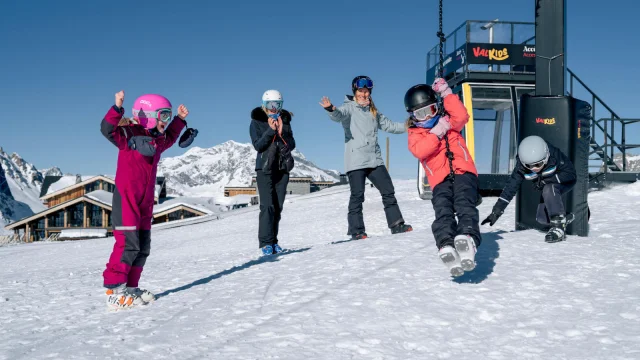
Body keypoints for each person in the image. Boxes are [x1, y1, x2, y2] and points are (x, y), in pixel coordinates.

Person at [101, 90, 191, 310]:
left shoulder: (157, 139)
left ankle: (131, 288)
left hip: (145, 202)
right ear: (149, 115)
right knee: (127, 244)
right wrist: (117, 108)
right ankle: (114, 291)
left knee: (142, 246)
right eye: (164, 116)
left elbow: (169, 138)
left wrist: (179, 121)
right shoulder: (128, 134)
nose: (165, 121)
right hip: (127, 199)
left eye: (168, 116)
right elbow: (107, 129)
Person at [320, 75, 412, 240]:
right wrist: (331, 109)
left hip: (374, 159)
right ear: (355, 91)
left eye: (366, 91)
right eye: (361, 91)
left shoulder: (373, 110)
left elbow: (389, 125)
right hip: (356, 160)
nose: (364, 94)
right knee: (358, 195)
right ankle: (356, 231)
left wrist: (408, 125)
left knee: (388, 190)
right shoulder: (349, 107)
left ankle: (397, 225)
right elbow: (339, 115)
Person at [405, 78, 481, 277]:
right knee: (443, 212)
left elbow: (462, 116)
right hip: (440, 180)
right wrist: (436, 133)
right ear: (412, 117)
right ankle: (446, 246)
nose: (426, 117)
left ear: (436, 107)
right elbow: (420, 150)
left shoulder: (448, 121)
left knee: (465, 205)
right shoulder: (416, 134)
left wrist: (446, 93)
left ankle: (468, 239)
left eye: (429, 110)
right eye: (419, 114)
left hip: (463, 172)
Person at [482, 135, 577, 243]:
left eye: (538, 164)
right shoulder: (521, 167)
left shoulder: (555, 155)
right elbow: (510, 188)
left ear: (546, 157)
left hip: (564, 182)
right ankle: (564, 218)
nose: (534, 168)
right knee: (542, 218)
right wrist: (497, 211)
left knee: (548, 188)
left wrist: (547, 181)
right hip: (547, 187)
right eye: (529, 166)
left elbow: (571, 174)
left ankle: (558, 227)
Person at [250, 90, 296, 256]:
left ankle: (274, 241)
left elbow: (292, 144)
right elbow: (259, 145)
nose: (273, 108)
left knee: (278, 206)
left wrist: (282, 131)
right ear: (264, 105)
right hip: (264, 168)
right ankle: (265, 243)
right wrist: (270, 130)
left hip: (282, 168)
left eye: (277, 104)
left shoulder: (285, 120)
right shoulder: (256, 122)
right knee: (267, 206)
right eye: (270, 105)